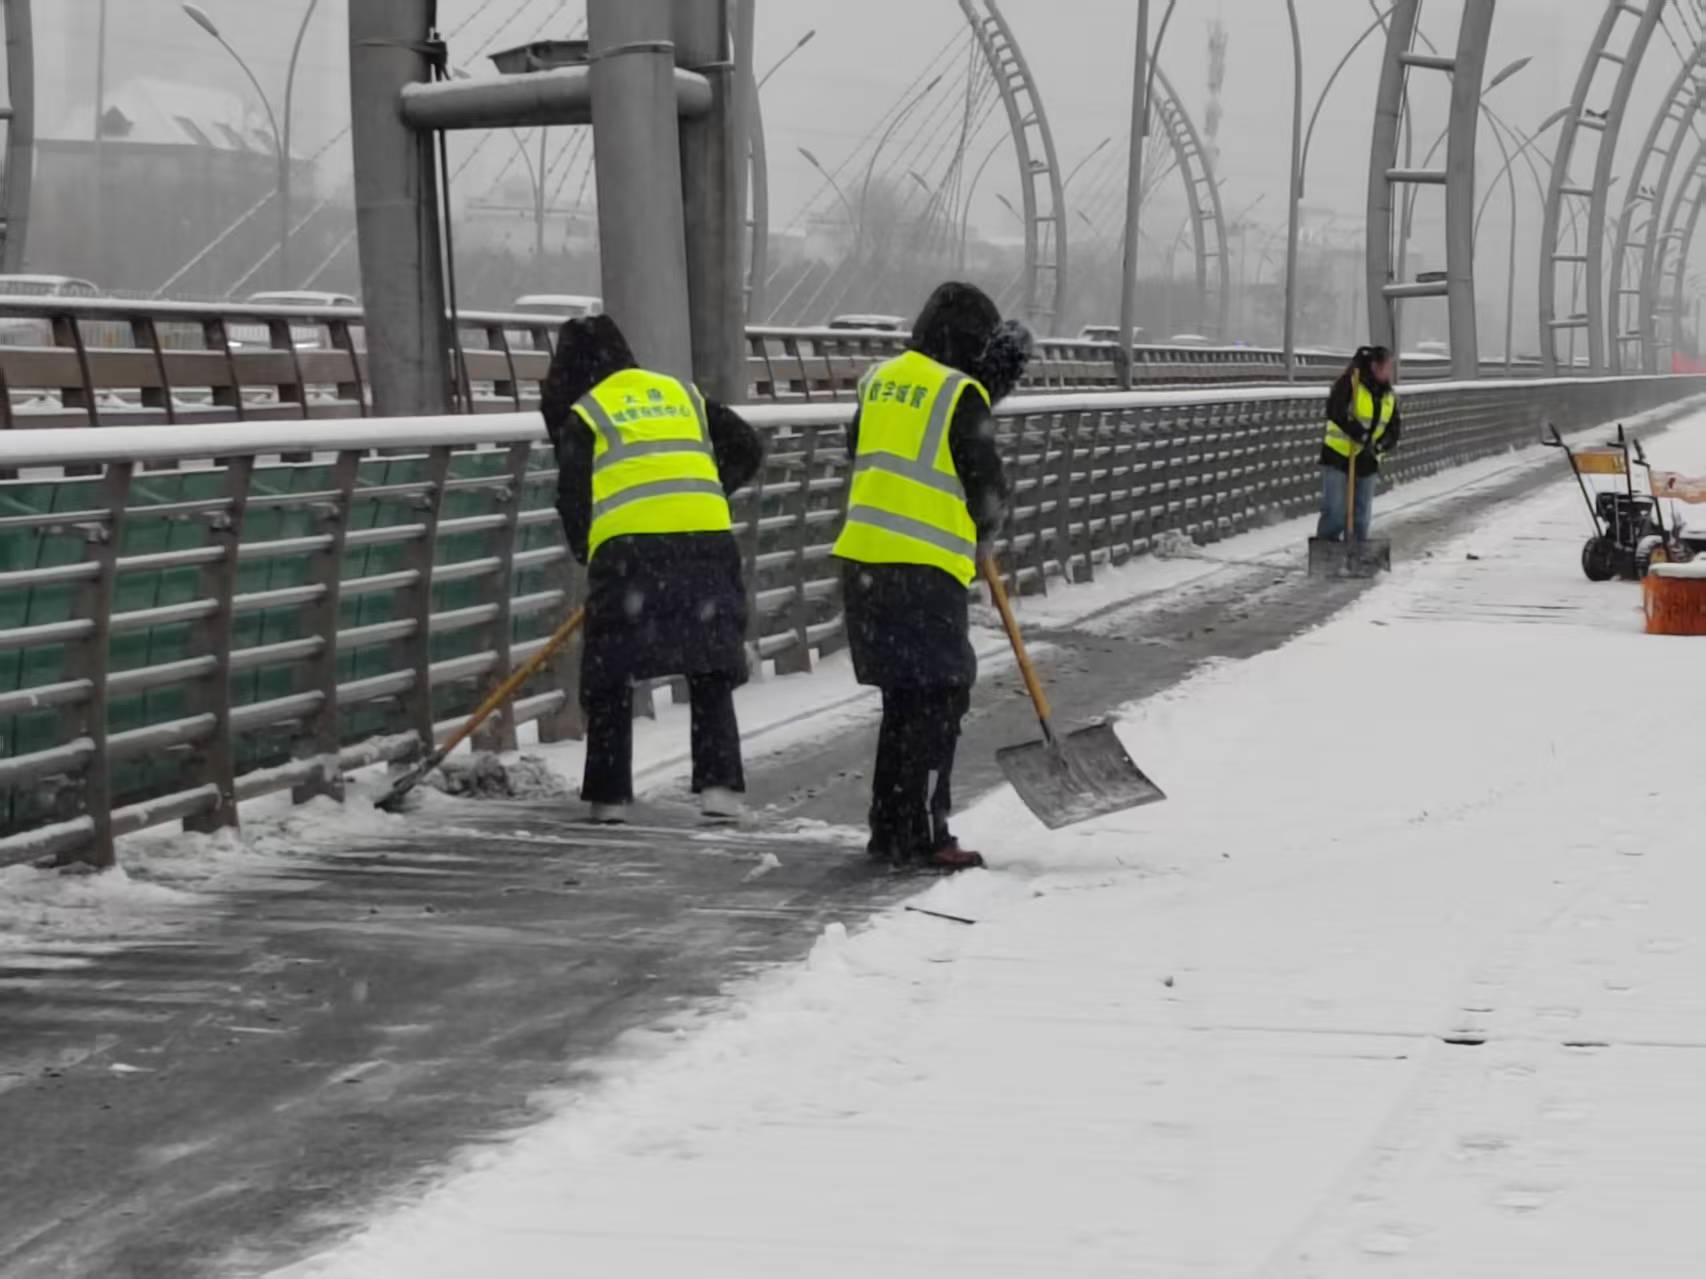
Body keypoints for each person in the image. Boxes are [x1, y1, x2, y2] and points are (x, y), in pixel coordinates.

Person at [832, 282, 1032, 872]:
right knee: (941, 696)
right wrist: (985, 529)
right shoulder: (958, 392)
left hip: (864, 562)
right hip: (922, 566)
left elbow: (858, 446)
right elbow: (986, 484)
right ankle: (925, 833)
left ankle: (889, 828)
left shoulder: (879, 380)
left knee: (903, 699)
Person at [541, 315, 764, 824]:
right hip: (706, 541)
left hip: (628, 553)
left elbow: (573, 496)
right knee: (710, 664)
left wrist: (589, 550)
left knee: (610, 671)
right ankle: (720, 790)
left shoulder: (588, 411)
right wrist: (705, 489)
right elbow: (746, 446)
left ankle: (610, 797)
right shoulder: (680, 394)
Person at [1319, 344, 1402, 542]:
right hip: (1338, 454)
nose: (1389, 373)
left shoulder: (1388, 396)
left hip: (1368, 458)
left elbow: (1394, 429)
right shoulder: (1350, 383)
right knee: (1335, 512)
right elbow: (1336, 411)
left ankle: (1358, 550)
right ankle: (1328, 548)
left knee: (1361, 515)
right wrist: (1359, 434)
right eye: (1387, 367)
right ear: (1374, 366)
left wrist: (1379, 446)